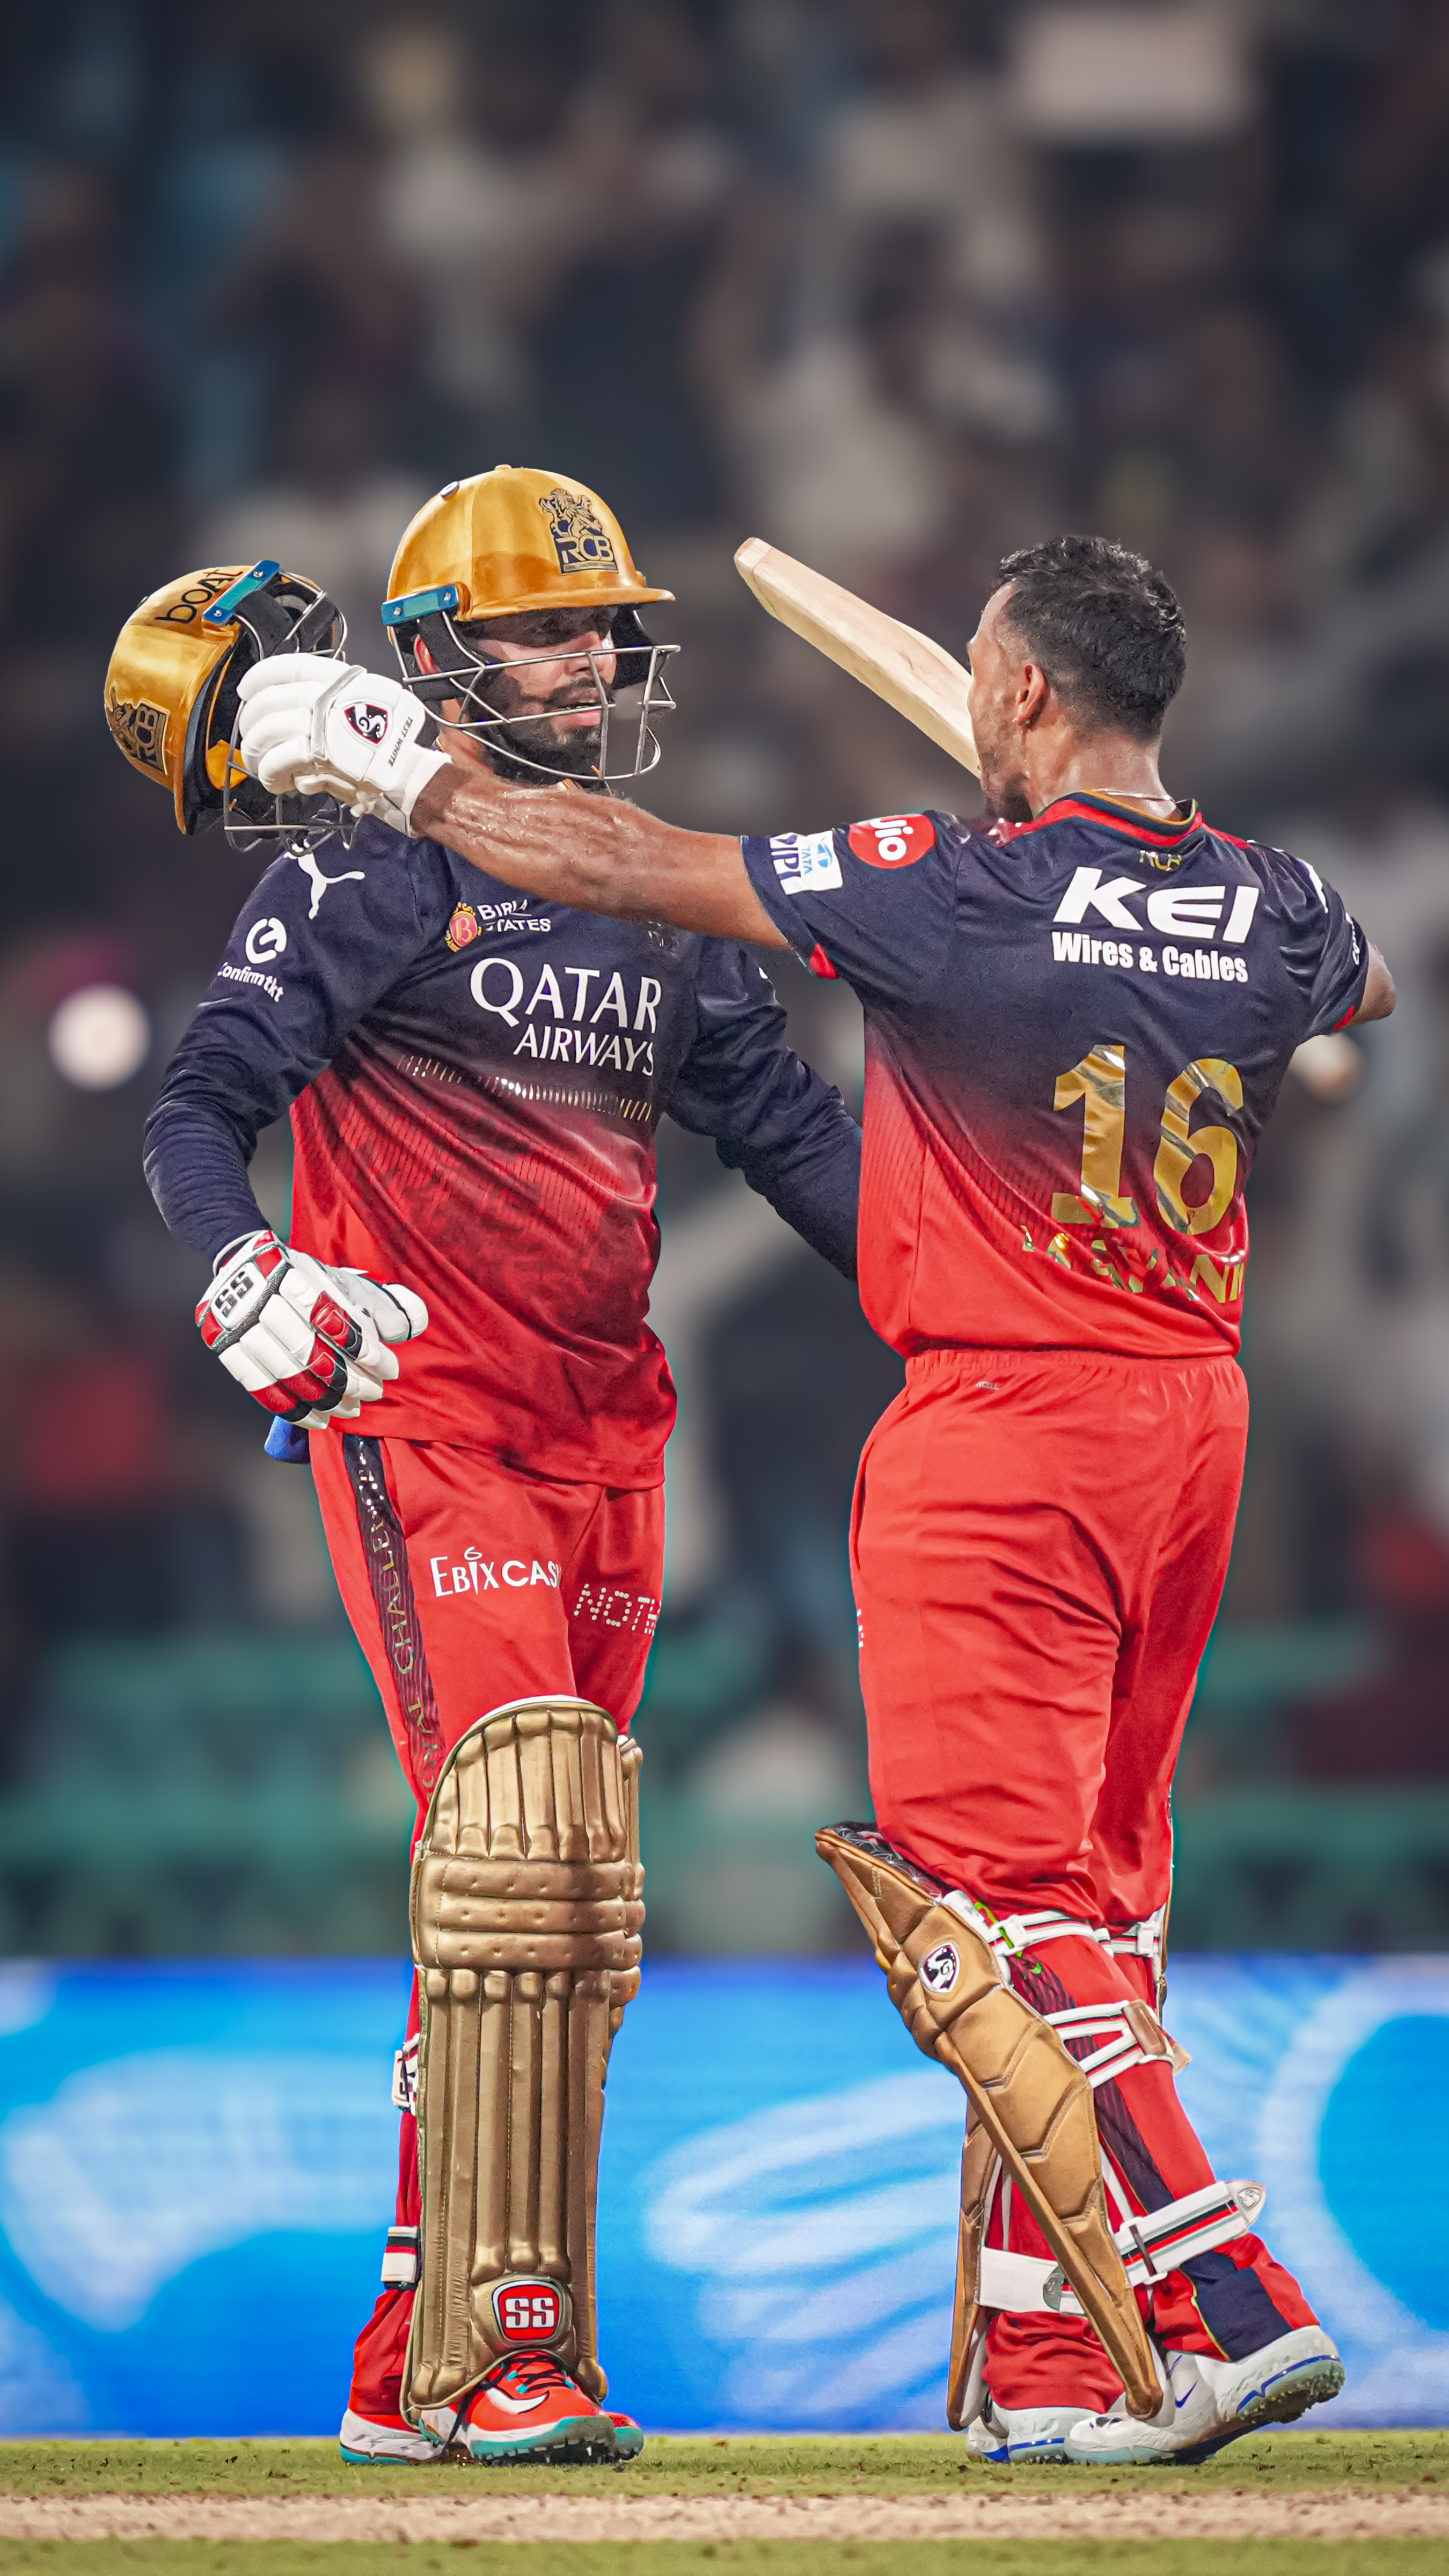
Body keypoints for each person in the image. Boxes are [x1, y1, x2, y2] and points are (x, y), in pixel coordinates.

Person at [237, 532, 1394, 2467]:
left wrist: (400, 767)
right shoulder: (1274, 903)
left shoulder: (944, 886)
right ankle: (1048, 2358)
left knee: (992, 1908)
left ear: (1014, 693)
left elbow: (622, 863)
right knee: (1104, 1894)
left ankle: (1222, 2294)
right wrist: (1140, 857)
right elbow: (1357, 991)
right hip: (1194, 1423)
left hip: (1003, 1426)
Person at [137, 471, 860, 2468]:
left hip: (611, 1436)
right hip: (429, 1418)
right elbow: (197, 1106)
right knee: (519, 1865)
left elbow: (795, 1142)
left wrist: (978, 1289)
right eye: (547, 628)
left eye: (604, 629)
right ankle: (505, 2349)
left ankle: (417, 2350)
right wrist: (243, 1268)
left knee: (567, 1911)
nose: (591, 660)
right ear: (439, 659)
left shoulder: (645, 883)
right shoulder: (363, 872)